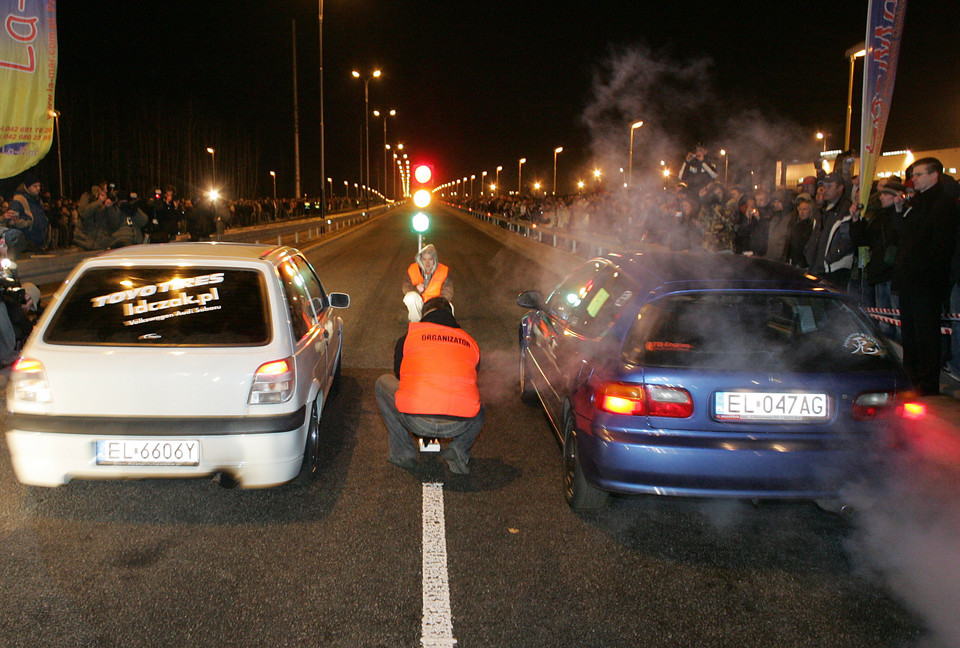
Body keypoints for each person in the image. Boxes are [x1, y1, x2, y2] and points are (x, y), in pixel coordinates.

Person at [374, 297, 484, 474]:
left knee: (382, 383)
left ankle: (403, 454)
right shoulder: (470, 342)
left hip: (417, 419)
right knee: (477, 401)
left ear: (424, 314)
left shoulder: (409, 337)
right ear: (451, 315)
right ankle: (458, 450)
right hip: (459, 423)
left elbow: (401, 377)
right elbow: (472, 378)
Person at [892, 157, 959, 395]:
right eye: (913, 175)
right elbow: (903, 237)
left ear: (934, 176)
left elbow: (940, 247)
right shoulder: (917, 204)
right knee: (910, 332)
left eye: (919, 174)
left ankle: (928, 382)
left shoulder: (943, 205)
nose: (914, 179)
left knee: (926, 333)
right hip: (910, 279)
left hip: (926, 282)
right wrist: (899, 212)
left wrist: (922, 270)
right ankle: (911, 376)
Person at [804, 172, 854, 289]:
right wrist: (809, 254)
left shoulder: (846, 210)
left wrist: (829, 259)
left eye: (829, 186)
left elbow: (847, 240)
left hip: (835, 271)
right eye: (823, 187)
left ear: (840, 188)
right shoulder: (822, 210)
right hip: (819, 268)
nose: (825, 190)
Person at [0, 228, 40, 366]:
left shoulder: (8, 263)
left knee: (30, 289)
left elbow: (12, 283)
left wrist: (23, 296)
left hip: (4, 295)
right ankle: (5, 352)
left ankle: (28, 330)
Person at [402, 243, 453, 322]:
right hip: (420, 303)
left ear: (434, 260)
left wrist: (436, 305)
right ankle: (417, 325)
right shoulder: (413, 269)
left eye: (430, 259)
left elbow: (448, 292)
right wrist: (415, 288)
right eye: (424, 259)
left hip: (436, 303)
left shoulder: (443, 271)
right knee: (411, 297)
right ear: (420, 260)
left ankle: (444, 330)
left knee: (450, 307)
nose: (427, 262)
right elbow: (405, 287)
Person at [4, 170, 48, 252]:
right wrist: (27, 224)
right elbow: (12, 220)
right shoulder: (19, 199)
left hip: (38, 242)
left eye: (39, 186)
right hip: (27, 242)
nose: (38, 188)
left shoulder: (38, 200)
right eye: (35, 186)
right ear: (28, 186)